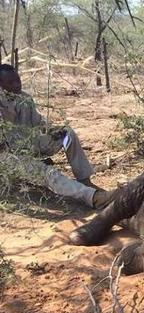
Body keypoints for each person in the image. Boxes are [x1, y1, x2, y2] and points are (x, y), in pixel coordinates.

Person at [0, 64, 112, 209]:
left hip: (30, 144)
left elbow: (38, 121)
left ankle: (84, 179)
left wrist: (53, 129)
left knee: (67, 135)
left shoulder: (25, 98)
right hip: (8, 157)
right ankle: (92, 197)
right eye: (11, 82)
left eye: (18, 80)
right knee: (47, 172)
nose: (17, 85)